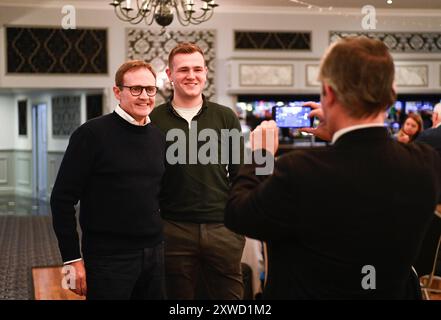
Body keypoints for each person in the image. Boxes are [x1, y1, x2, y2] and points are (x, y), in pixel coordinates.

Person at [225, 36, 441, 299]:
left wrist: (260, 156)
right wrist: (341, 133)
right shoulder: (425, 164)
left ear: (328, 92)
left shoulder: (299, 170)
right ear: (390, 95)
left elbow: (239, 214)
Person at [51, 60, 166, 300]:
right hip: (108, 258)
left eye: (150, 89)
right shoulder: (91, 134)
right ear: (117, 92)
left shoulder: (158, 136)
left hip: (154, 253)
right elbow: (61, 199)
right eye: (136, 89)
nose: (144, 96)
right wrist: (72, 259)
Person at [150, 42, 245, 300]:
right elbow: (147, 179)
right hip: (173, 228)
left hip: (222, 227)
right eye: (183, 70)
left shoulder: (226, 117)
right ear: (170, 75)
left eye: (197, 69)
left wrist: (238, 223)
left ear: (205, 73)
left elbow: (239, 173)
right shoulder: (154, 120)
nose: (191, 76)